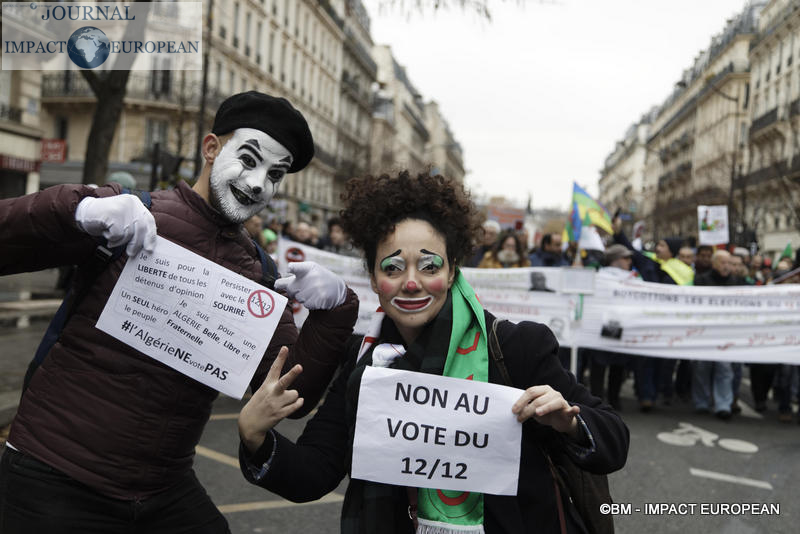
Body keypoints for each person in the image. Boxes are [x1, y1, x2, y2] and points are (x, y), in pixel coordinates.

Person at [0, 91, 360, 534]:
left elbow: (289, 391)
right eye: (248, 160)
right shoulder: (132, 216)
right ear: (211, 148)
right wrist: (79, 208)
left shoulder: (259, 275)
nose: (256, 184)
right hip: (55, 476)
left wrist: (338, 306)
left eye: (275, 174)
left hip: (161, 491)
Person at [237, 170, 629, 533]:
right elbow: (313, 473)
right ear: (374, 279)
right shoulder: (364, 363)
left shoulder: (515, 347)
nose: (411, 283)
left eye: (429, 266)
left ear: (453, 270)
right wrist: (256, 436)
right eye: (392, 268)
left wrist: (570, 423)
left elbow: (613, 441)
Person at [587, 244, 635, 410]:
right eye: (626, 257)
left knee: (618, 366)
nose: (630, 261)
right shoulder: (599, 277)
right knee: (599, 365)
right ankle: (596, 400)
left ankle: (614, 399)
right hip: (600, 326)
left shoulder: (634, 277)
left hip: (623, 325)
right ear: (615, 260)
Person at [691, 250, 737, 420]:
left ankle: (723, 405)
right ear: (715, 263)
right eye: (723, 262)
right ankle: (701, 402)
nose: (726, 266)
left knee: (724, 369)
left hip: (726, 332)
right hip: (705, 332)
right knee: (702, 367)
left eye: (729, 263)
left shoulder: (736, 283)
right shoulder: (701, 280)